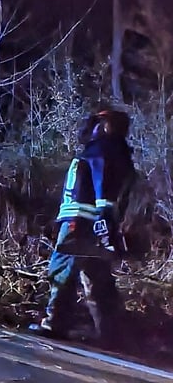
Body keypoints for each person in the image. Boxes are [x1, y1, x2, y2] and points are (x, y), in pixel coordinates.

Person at [30, 108, 137, 348]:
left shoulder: (102, 150)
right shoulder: (110, 151)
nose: (91, 127)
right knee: (97, 278)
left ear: (107, 125)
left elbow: (105, 190)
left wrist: (103, 220)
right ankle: (112, 335)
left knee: (63, 269)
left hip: (80, 222)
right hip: (88, 222)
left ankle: (55, 322)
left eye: (98, 122)